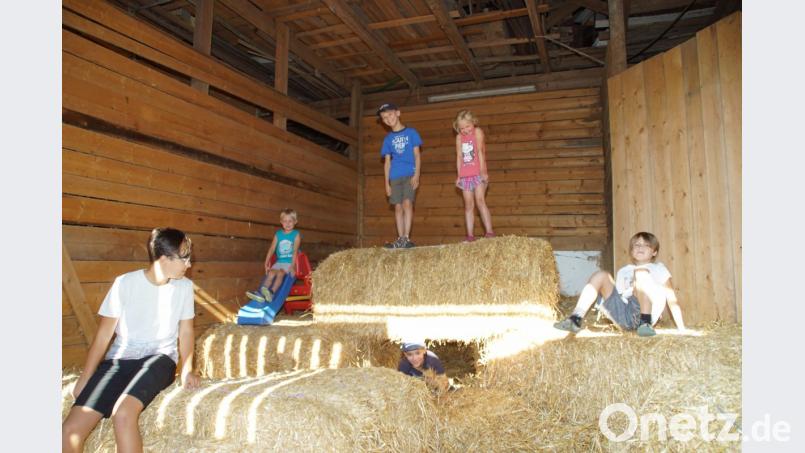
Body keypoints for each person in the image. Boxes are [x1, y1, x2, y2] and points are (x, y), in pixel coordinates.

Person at [62, 228, 201, 453]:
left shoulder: (184, 287)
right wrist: (86, 377)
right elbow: (104, 335)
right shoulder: (124, 283)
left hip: (159, 359)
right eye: (184, 258)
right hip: (118, 361)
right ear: (164, 259)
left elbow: (186, 332)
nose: (189, 264)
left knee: (123, 413)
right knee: (70, 431)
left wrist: (186, 369)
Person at [554, 231, 686, 337]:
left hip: (645, 314)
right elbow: (619, 297)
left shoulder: (659, 269)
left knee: (641, 273)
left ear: (654, 252)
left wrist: (682, 329)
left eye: (646, 245)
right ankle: (576, 318)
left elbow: (672, 299)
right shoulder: (624, 271)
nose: (640, 247)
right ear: (631, 251)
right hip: (624, 314)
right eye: (637, 245)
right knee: (602, 275)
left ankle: (645, 324)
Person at [377, 103, 422, 249]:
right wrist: (386, 183)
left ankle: (406, 237)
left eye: (390, 114)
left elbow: (417, 155)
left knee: (407, 203)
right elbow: (387, 162)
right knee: (397, 207)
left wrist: (417, 175)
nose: (388, 119)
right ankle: (400, 238)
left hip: (409, 173)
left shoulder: (411, 133)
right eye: (384, 118)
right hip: (394, 176)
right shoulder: (388, 139)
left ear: (398, 113)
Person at [454, 110, 495, 242]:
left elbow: (480, 151)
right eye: (461, 128)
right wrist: (459, 176)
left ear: (473, 123)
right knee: (468, 205)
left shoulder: (477, 132)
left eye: (467, 126)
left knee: (480, 200)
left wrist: (483, 171)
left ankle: (489, 232)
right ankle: (470, 235)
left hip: (477, 173)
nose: (465, 130)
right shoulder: (459, 137)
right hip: (466, 175)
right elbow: (459, 156)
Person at [247, 208, 301, 302]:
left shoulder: (296, 234)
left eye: (290, 221)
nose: (287, 223)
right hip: (279, 262)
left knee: (280, 274)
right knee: (271, 273)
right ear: (281, 222)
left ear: (295, 222)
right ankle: (261, 293)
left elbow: (295, 251)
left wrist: (293, 266)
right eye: (285, 221)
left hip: (289, 263)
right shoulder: (278, 234)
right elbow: (272, 249)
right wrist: (266, 262)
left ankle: (271, 293)